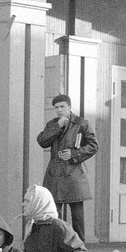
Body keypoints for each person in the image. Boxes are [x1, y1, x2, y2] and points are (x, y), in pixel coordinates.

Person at [37, 93, 98, 243]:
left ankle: (80, 246)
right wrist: (58, 127)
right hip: (55, 173)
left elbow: (93, 145)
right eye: (56, 108)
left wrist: (73, 153)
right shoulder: (52, 124)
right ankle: (56, 245)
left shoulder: (81, 123)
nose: (59, 110)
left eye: (62, 107)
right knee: (53, 212)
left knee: (77, 215)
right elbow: (43, 141)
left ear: (69, 107)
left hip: (73, 173)